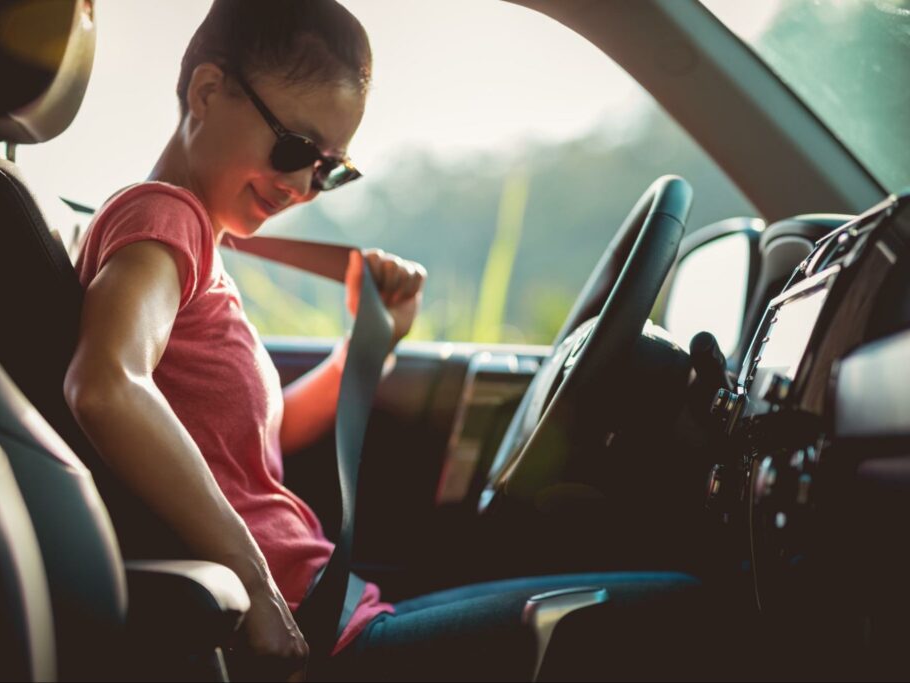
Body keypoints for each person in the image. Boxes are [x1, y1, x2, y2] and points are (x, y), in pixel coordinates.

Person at [64, 1, 700, 680]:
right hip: (306, 632)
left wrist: (370, 346)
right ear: (207, 92)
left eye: (330, 168)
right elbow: (106, 385)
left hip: (337, 607)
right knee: (688, 610)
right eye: (297, 148)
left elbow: (251, 437)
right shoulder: (164, 218)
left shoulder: (194, 243)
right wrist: (254, 584)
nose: (306, 186)